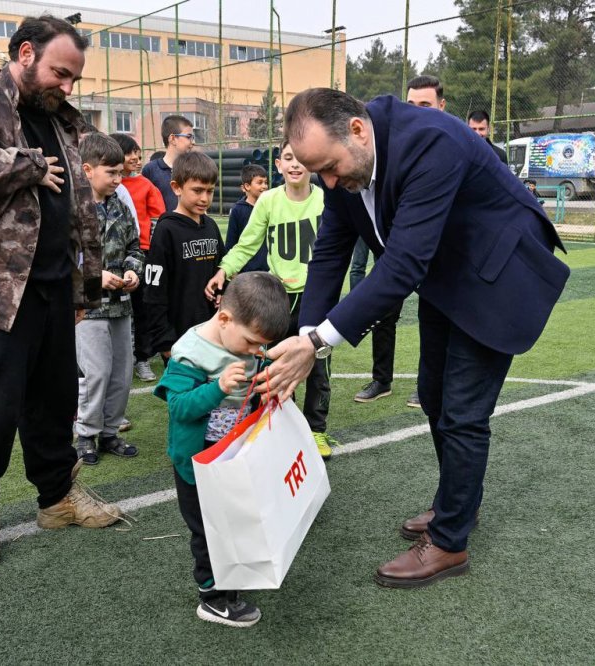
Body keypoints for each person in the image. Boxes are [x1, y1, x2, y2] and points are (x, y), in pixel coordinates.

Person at [264, 88, 569, 588]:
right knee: (432, 396)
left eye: (331, 167)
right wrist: (304, 334)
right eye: (318, 171)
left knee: (464, 413)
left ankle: (450, 541)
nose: (328, 181)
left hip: (497, 272)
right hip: (447, 273)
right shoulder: (342, 166)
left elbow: (403, 263)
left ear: (357, 131)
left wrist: (318, 342)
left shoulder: (430, 142)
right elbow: (329, 253)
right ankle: (458, 503)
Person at [0, 15, 123, 566]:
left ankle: (57, 497)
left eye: (75, 78)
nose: (68, 86)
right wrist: (29, 164)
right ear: (27, 53)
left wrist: (84, 286)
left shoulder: (59, 117)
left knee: (56, 393)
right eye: (61, 72)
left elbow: (81, 202)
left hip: (53, 281)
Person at [154, 271, 290, 627]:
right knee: (207, 530)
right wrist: (216, 388)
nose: (255, 352)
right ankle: (212, 597)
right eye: (251, 343)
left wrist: (271, 385)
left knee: (232, 523)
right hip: (198, 464)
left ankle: (232, 578)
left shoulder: (243, 340)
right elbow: (179, 407)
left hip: (234, 457)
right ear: (225, 319)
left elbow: (259, 375)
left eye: (262, 346)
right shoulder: (190, 352)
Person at [206, 140, 337, 460]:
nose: (295, 165)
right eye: (288, 158)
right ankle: (278, 430)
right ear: (278, 164)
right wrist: (224, 269)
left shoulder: (326, 200)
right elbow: (247, 243)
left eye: (301, 159)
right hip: (278, 299)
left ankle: (316, 430)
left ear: (312, 163)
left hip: (316, 298)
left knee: (318, 367)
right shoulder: (267, 201)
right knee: (275, 366)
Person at [348, 74, 450, 408]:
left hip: (435, 256)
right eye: (412, 105)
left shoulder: (445, 148)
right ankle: (382, 379)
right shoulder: (392, 148)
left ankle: (427, 383)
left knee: (432, 317)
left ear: (442, 107)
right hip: (393, 250)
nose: (418, 112)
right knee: (384, 310)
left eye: (426, 105)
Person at [74, 133, 144, 464]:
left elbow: (134, 246)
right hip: (87, 306)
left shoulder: (119, 204)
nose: (119, 179)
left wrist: (132, 272)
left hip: (120, 305)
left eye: (120, 173)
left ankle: (110, 432)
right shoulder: (72, 207)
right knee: (97, 371)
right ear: (87, 169)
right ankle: (86, 434)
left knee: (121, 371)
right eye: (112, 173)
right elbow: (62, 254)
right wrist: (94, 274)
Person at [144, 151, 223, 363]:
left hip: (212, 333)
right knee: (186, 396)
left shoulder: (211, 227)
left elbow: (221, 270)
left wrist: (222, 292)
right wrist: (165, 341)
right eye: (197, 190)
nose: (204, 198)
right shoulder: (166, 230)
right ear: (176, 187)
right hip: (179, 337)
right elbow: (154, 292)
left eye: (210, 191)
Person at [112, 132, 165, 383]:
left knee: (142, 308)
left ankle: (142, 359)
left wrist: (150, 249)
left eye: (137, 152)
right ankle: (116, 360)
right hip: (111, 258)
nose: (135, 157)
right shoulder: (108, 186)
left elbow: (157, 218)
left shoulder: (145, 185)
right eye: (129, 152)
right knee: (116, 311)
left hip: (140, 255)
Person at [141, 114, 194, 212]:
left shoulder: (194, 168)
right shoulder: (151, 170)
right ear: (172, 139)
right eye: (188, 137)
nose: (193, 142)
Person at [224, 164, 269, 273]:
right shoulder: (237, 210)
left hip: (269, 271)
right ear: (246, 186)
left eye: (266, 182)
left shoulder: (270, 207)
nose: (264, 186)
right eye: (260, 182)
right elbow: (231, 242)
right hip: (246, 272)